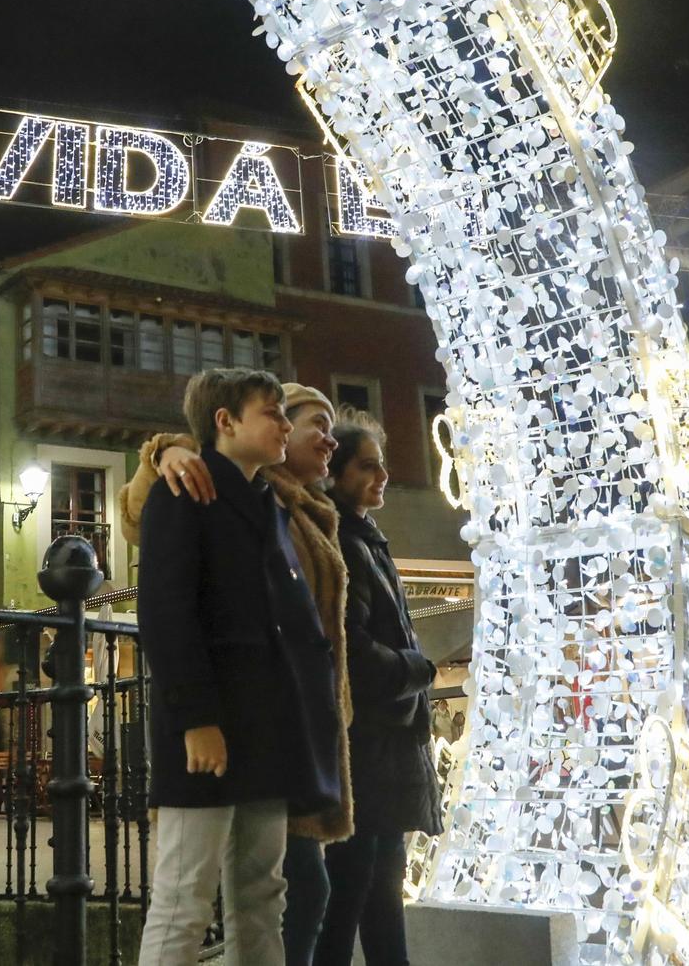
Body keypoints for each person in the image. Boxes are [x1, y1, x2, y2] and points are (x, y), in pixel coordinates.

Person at [124, 383, 352, 965]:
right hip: (211, 728)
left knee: (262, 894)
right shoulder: (185, 490)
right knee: (183, 900)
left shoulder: (267, 503)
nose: (282, 424)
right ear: (225, 421)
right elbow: (166, 613)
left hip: (266, 729)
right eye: (271, 413)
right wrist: (196, 717)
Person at [315, 413, 440, 966]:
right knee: (351, 895)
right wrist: (418, 669)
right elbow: (353, 650)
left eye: (382, 464)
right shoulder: (344, 539)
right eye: (368, 465)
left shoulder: (365, 538)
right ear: (337, 472)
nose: (383, 475)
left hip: (383, 749)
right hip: (369, 748)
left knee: (378, 895)